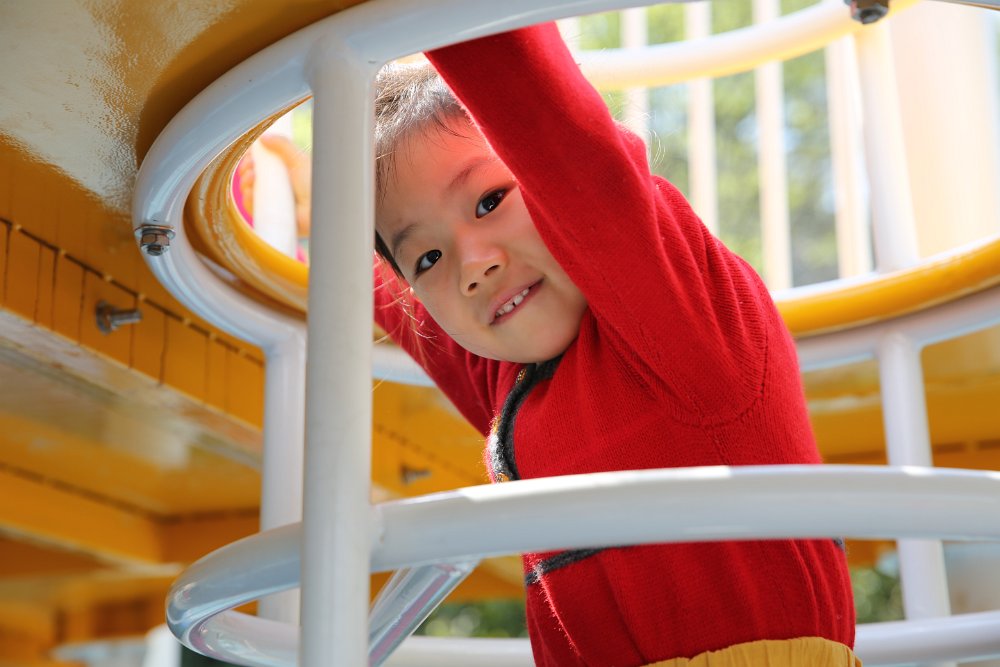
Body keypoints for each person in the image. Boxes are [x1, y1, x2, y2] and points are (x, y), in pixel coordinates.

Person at [370, 22, 857, 667]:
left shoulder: (679, 316)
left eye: (489, 201)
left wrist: (447, 16)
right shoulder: (515, 382)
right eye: (428, 258)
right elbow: (391, 297)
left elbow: (542, 115)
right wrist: (305, 202)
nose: (472, 265)